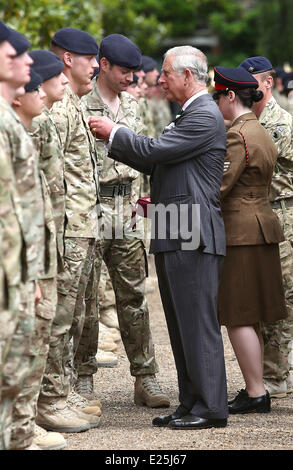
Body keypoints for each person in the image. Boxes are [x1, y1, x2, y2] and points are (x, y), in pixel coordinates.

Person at [89, 45, 228, 430]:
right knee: (181, 324)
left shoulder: (202, 115)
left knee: (196, 324)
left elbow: (156, 149)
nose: (159, 79)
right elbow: (155, 161)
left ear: (188, 76)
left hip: (192, 232)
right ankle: (191, 402)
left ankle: (210, 407)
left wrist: (113, 131)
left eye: (167, 73)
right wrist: (113, 140)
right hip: (175, 227)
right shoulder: (189, 114)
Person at [76, 33, 169, 409]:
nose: (132, 77)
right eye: (125, 71)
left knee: (134, 295)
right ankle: (82, 376)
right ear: (104, 65)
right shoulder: (80, 103)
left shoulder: (132, 106)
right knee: (84, 297)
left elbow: (143, 151)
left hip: (126, 208)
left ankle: (145, 378)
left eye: (135, 71)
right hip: (90, 206)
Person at [35, 27, 103, 434]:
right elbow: (49, 177)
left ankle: (61, 389)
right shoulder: (57, 110)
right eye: (88, 58)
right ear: (66, 59)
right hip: (66, 229)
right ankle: (51, 398)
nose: (95, 65)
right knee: (60, 316)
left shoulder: (72, 102)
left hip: (80, 224)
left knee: (74, 313)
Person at [213, 65, 287, 414]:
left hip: (241, 233)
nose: (217, 103)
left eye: (218, 96)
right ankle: (256, 387)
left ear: (230, 96)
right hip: (261, 226)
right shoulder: (260, 130)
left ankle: (257, 391)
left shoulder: (237, 135)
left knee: (239, 314)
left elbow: (221, 188)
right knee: (252, 314)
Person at [0, 28, 46, 450]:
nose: (28, 62)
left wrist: (30, 274)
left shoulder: (8, 122)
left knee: (10, 375)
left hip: (14, 272)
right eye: (16, 54)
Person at [239, 56, 293, 399]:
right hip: (256, 217)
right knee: (259, 295)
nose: (247, 91)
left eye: (252, 84)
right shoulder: (246, 121)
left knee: (282, 295)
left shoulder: (281, 125)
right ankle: (268, 373)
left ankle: (275, 374)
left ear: (268, 84)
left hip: (282, 217)